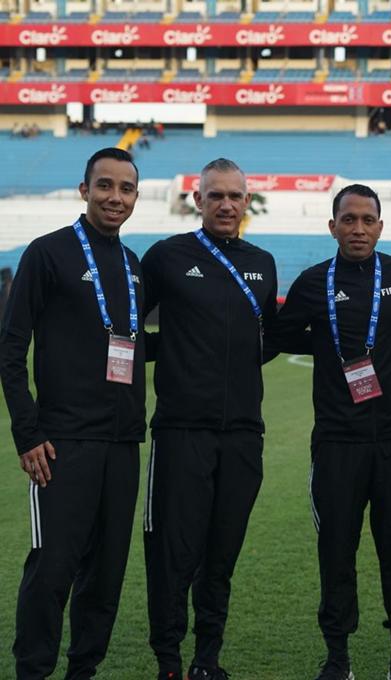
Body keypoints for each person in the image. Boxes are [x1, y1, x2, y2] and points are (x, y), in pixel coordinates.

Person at [266, 184, 391, 680]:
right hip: (338, 441)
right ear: (332, 225)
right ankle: (338, 657)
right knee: (336, 549)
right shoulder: (314, 283)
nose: (358, 229)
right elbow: (283, 333)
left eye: (367, 220)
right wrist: (328, 349)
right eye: (349, 219)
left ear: (381, 225)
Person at [1, 147, 146, 679]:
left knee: (105, 577)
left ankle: (83, 670)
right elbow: (11, 348)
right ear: (84, 190)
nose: (115, 197)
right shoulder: (48, 253)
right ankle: (33, 672)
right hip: (61, 444)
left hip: (123, 445)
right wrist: (28, 432)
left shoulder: (132, 265)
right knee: (52, 571)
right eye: (104, 186)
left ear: (136, 196)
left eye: (126, 188)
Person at [141, 158, 279, 680]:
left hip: (245, 433)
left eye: (235, 196)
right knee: (173, 555)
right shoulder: (166, 257)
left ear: (248, 201)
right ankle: (169, 663)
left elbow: (266, 338)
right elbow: (130, 327)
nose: (225, 204)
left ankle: (207, 660)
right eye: (215, 195)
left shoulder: (263, 263)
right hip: (182, 431)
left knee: (221, 555)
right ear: (197, 200)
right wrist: (176, 354)